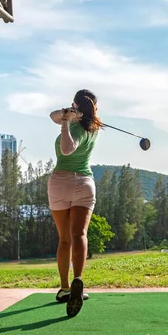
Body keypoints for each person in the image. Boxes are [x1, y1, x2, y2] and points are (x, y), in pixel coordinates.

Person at [47, 89, 101, 318]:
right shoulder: (93, 127)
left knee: (65, 239)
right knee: (80, 235)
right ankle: (78, 279)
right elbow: (53, 115)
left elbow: (67, 149)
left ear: (75, 104)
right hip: (84, 184)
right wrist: (66, 114)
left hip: (60, 182)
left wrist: (66, 123)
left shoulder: (77, 128)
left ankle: (65, 288)